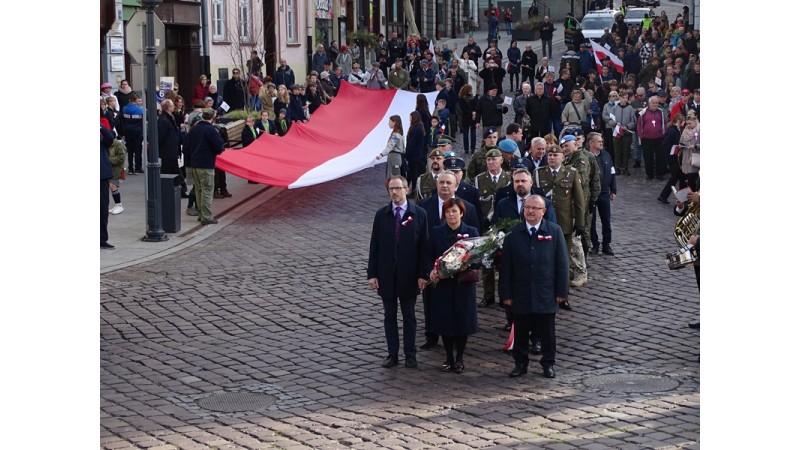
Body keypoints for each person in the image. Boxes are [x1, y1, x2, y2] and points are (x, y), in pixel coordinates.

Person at [500, 194, 569, 378]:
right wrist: (506, 293)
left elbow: (562, 264)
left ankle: (548, 364)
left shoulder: (554, 232)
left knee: (547, 332)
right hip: (520, 292)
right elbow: (506, 267)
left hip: (546, 292)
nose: (530, 211)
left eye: (535, 208)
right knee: (521, 332)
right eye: (527, 208)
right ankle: (520, 364)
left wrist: (562, 292)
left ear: (543, 211)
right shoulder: (513, 233)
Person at [368, 175, 429, 369]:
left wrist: (423, 274)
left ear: (407, 189)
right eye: (391, 189)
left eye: (398, 188)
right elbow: (374, 246)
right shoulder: (381, 214)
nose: (394, 192)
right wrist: (372, 274)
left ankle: (410, 353)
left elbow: (424, 247)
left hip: (409, 274)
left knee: (409, 315)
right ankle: (392, 353)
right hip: (387, 273)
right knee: (389, 315)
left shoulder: (419, 214)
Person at [417, 171, 481, 349]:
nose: (444, 186)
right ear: (436, 185)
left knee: (459, 308)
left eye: (448, 183)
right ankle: (431, 334)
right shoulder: (424, 205)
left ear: (456, 185)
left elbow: (477, 241)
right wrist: (426, 270)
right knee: (431, 302)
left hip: (460, 274)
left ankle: (458, 336)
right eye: (441, 182)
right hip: (433, 269)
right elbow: (421, 239)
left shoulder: (468, 207)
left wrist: (467, 263)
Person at [425, 198, 480, 373]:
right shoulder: (436, 232)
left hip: (462, 284)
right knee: (445, 321)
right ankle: (448, 357)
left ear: (461, 213)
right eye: (447, 212)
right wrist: (431, 271)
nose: (451, 215)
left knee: (461, 321)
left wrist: (468, 265)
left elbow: (478, 258)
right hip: (443, 285)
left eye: (454, 211)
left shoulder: (471, 232)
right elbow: (428, 255)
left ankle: (460, 357)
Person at [532, 143, 585, 310]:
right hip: (543, 223)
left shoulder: (571, 173)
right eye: (550, 155)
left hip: (564, 224)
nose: (552, 158)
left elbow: (579, 201)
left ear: (563, 157)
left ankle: (563, 296)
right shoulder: (538, 174)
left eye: (556, 155)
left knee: (562, 262)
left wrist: (581, 223)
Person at [474, 148, 511, 306]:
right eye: (488, 160)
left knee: (504, 262)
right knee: (487, 261)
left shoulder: (508, 178)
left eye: (494, 160)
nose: (491, 163)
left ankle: (504, 296)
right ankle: (488, 296)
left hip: (503, 224)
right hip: (486, 225)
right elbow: (477, 202)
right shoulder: (480, 179)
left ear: (501, 161)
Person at [562, 134, 600, 277]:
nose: (565, 149)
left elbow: (584, 180)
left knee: (582, 232)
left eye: (567, 146)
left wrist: (594, 199)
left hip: (582, 202)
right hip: (573, 202)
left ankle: (582, 263)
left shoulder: (581, 159)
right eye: (563, 147)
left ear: (575, 144)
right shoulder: (569, 159)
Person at [184, 109, 225, 225]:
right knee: (207, 190)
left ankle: (201, 214)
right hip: (206, 164)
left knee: (199, 190)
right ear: (212, 117)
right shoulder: (210, 130)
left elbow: (186, 145)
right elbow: (219, 147)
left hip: (194, 164)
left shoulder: (194, 129)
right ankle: (206, 217)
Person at [586, 132, 616, 256]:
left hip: (604, 193)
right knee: (591, 221)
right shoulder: (586, 156)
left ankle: (606, 244)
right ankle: (594, 244)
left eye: (602, 141)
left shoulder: (606, 155)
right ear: (591, 143)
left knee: (606, 220)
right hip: (590, 193)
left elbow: (612, 172)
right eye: (599, 141)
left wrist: (613, 189)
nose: (601, 143)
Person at [157, 99, 184, 201]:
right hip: (168, 151)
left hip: (172, 150)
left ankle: (179, 190)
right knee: (167, 172)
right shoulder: (164, 120)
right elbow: (161, 136)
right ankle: (165, 191)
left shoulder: (169, 118)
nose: (174, 107)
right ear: (168, 108)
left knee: (175, 171)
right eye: (172, 106)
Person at [636, 95, 668, 180]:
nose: (655, 104)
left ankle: (659, 174)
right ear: (649, 103)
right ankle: (649, 174)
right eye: (653, 103)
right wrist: (641, 136)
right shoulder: (643, 112)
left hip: (659, 138)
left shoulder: (660, 111)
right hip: (646, 139)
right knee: (647, 157)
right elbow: (639, 125)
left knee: (660, 157)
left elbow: (664, 123)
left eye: (657, 103)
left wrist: (664, 134)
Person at [610, 91, 636, 175]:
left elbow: (633, 121)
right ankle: (617, 167)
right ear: (620, 98)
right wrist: (615, 123)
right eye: (623, 98)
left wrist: (627, 126)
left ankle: (625, 167)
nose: (625, 99)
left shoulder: (630, 108)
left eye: (626, 98)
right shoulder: (614, 108)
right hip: (616, 132)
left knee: (626, 151)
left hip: (626, 133)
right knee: (617, 151)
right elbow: (611, 120)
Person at [100, 124, 116, 249]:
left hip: (102, 176)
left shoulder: (102, 141)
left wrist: (100, 127)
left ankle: (102, 239)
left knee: (103, 210)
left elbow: (110, 136)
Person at [375, 115, 406, 179]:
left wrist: (381, 155)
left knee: (393, 177)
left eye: (390, 121)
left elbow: (389, 146)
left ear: (394, 123)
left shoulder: (395, 135)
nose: (388, 123)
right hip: (397, 157)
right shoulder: (400, 133)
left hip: (394, 157)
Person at [121, 92, 144, 174]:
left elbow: (122, 120)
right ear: (135, 101)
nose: (140, 103)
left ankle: (130, 168)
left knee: (130, 150)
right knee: (138, 150)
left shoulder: (124, 108)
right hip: (138, 132)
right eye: (139, 101)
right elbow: (143, 121)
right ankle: (138, 168)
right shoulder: (140, 110)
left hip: (128, 131)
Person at [406, 111, 427, 195]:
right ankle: (407, 187)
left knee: (413, 173)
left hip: (414, 155)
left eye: (410, 117)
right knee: (411, 173)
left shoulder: (415, 129)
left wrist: (407, 153)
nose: (409, 119)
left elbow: (412, 143)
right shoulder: (419, 127)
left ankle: (414, 190)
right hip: (417, 154)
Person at [458, 84, 479, 154]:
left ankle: (472, 149)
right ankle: (466, 149)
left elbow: (477, 106)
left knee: (473, 134)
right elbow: (463, 109)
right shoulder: (462, 99)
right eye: (470, 90)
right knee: (465, 134)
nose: (471, 91)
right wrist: (472, 113)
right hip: (466, 117)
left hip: (473, 118)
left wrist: (474, 113)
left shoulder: (473, 98)